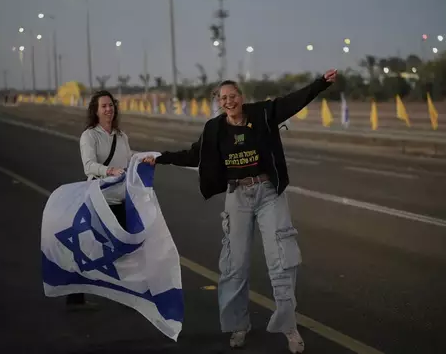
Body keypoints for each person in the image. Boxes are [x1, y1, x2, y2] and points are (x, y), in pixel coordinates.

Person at [143, 69, 337, 353]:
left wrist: (320, 84)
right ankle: (238, 326)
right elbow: (193, 154)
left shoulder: (263, 114)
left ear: (241, 98)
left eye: (233, 96)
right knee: (235, 265)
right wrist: (161, 158)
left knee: (282, 261)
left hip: (269, 194)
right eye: (223, 98)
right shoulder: (214, 129)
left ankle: (289, 328)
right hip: (237, 197)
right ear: (218, 102)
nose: (229, 101)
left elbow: (292, 102)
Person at [67, 90, 134, 310]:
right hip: (99, 200)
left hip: (120, 200)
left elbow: (129, 160)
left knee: (125, 247)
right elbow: (89, 166)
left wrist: (145, 160)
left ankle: (126, 291)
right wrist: (109, 170)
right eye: (104, 106)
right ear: (95, 111)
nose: (109, 109)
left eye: (111, 105)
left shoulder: (121, 136)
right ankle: (75, 297)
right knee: (90, 249)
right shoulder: (90, 136)